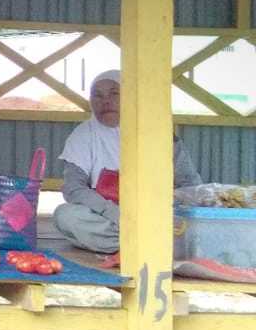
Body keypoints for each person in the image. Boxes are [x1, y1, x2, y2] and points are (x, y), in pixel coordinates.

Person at [53, 69, 202, 253]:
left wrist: (161, 206)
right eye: (97, 95)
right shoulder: (83, 135)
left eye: (114, 93)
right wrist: (114, 213)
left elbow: (190, 184)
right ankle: (151, 243)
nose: (105, 101)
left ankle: (136, 240)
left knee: (193, 219)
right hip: (109, 217)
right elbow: (73, 189)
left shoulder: (158, 133)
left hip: (154, 213)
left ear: (130, 96)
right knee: (66, 216)